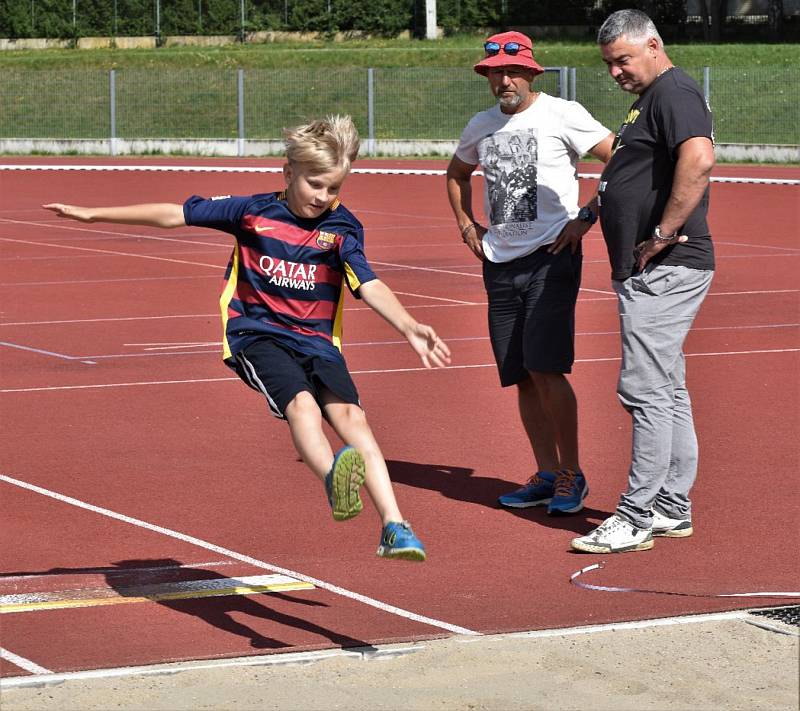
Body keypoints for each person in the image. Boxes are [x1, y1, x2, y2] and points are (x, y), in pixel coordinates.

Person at [43, 115, 451, 562]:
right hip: (257, 336)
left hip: (316, 343)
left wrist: (409, 325)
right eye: (315, 184)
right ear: (288, 171)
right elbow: (174, 215)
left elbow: (368, 283)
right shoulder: (251, 212)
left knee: (353, 418)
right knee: (303, 405)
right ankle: (333, 478)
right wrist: (93, 214)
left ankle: (395, 525)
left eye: (333, 188)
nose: (323, 197)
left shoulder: (343, 230)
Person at [446, 31, 614, 515]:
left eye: (513, 70)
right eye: (496, 71)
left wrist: (587, 217)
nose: (505, 79)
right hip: (499, 262)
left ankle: (571, 474)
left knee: (547, 366)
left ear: (532, 71)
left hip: (551, 257)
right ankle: (545, 473)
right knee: (520, 373)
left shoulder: (563, 114)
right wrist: (465, 225)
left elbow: (620, 158)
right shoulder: (481, 125)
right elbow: (456, 174)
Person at [571, 10, 716, 553]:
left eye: (622, 60)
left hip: (665, 267)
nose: (614, 72)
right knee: (667, 389)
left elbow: (698, 160)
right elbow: (625, 174)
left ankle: (634, 514)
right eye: (608, 64)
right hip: (651, 269)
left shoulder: (674, 91)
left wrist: (662, 232)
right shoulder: (651, 100)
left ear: (653, 45)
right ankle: (672, 507)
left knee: (645, 391)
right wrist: (588, 217)